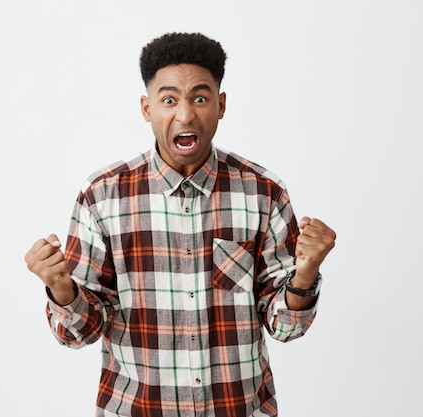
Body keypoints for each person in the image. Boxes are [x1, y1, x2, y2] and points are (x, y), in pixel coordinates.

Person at [25, 32, 336, 417]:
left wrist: (305, 276)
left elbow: (285, 327)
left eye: (200, 98)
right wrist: (61, 288)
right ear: (146, 107)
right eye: (169, 99)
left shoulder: (263, 193)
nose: (185, 115)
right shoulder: (102, 197)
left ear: (221, 106)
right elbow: (79, 333)